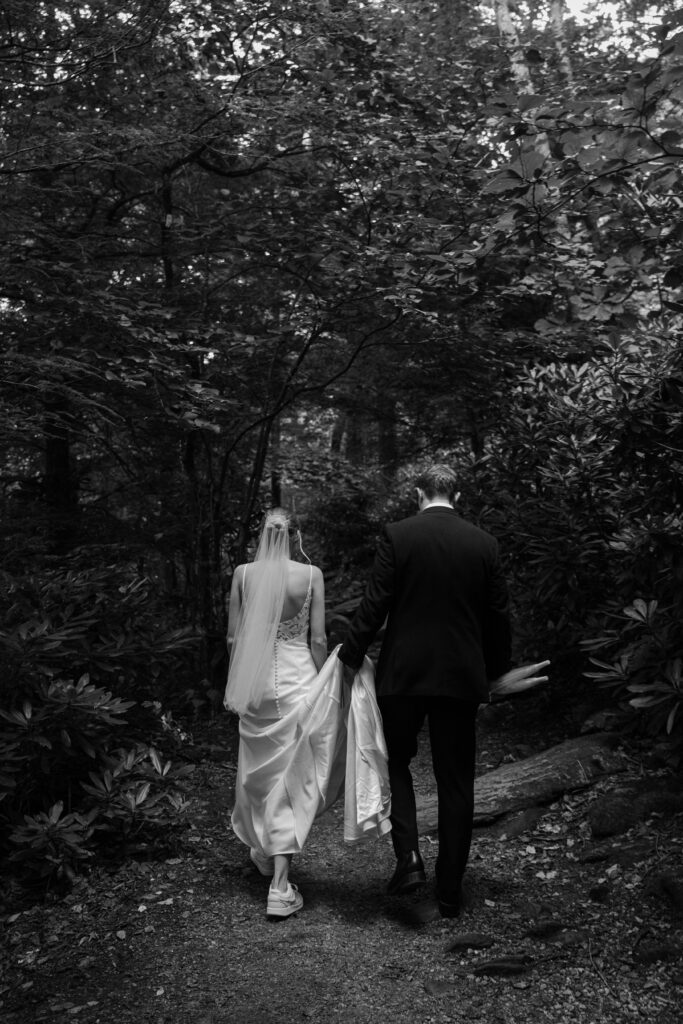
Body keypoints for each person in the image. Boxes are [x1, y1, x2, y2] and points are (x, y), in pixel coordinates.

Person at [338, 464, 516, 918]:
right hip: (459, 676)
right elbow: (498, 617)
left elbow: (375, 602)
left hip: (404, 674)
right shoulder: (484, 544)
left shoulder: (398, 535)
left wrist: (349, 657)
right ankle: (451, 889)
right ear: (456, 494)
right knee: (455, 780)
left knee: (396, 759)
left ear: (419, 493)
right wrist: (494, 672)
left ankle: (408, 857)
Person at [225, 508, 327, 920]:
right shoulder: (311, 575)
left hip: (257, 682)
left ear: (262, 536)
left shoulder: (243, 574)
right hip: (299, 677)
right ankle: (280, 885)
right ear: (294, 535)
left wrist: (242, 681)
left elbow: (233, 637)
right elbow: (317, 637)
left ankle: (267, 855)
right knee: (292, 776)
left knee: (259, 772)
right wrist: (324, 681)